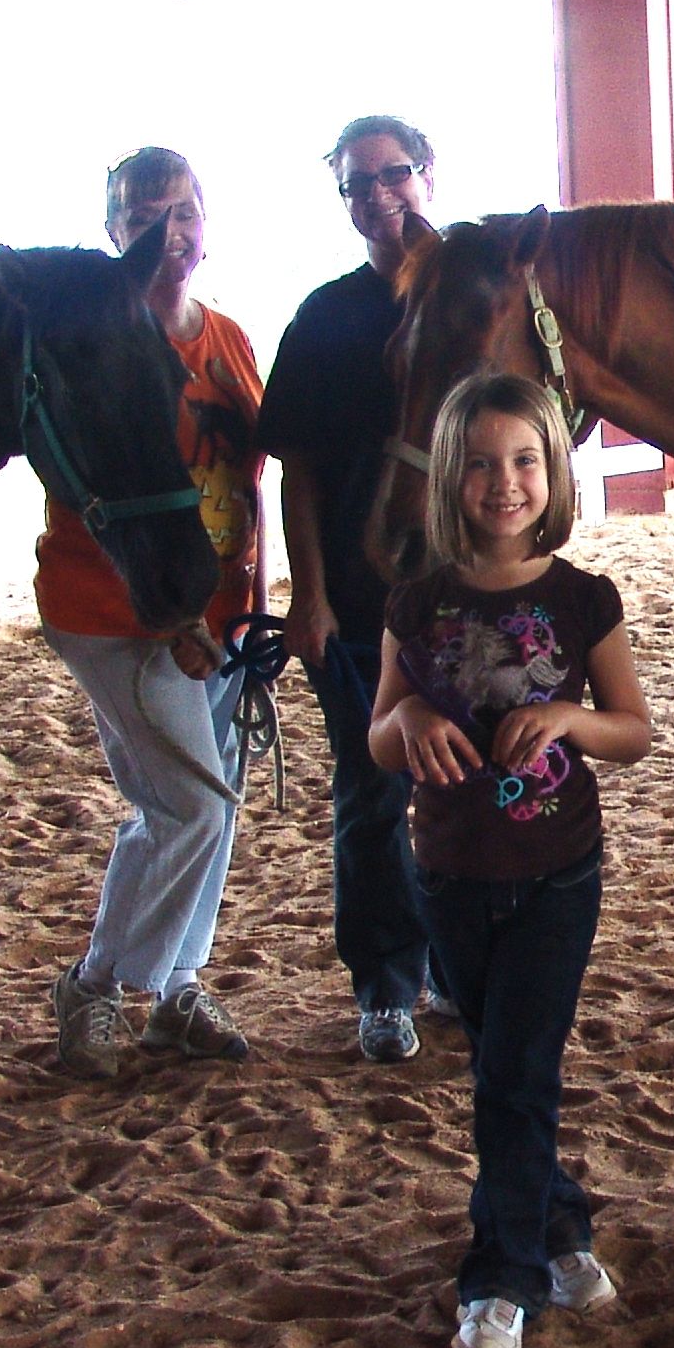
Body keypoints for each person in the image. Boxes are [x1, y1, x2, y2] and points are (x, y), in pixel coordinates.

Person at [372, 370, 655, 1348]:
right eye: (484, 464)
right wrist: (410, 717)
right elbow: (377, 736)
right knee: (504, 1065)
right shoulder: (417, 601)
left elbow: (635, 732)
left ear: (554, 472)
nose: (505, 483)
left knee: (516, 1071)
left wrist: (571, 718)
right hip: (449, 871)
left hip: (557, 872)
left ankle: (502, 1277)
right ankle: (561, 1220)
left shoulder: (583, 599)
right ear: (452, 475)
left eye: (526, 460)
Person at [41, 147, 269, 1081]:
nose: (167, 232)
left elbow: (250, 480)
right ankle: (95, 984)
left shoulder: (229, 339)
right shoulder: (98, 344)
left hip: (220, 614)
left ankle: (177, 986)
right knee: (195, 806)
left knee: (192, 807)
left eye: (182, 213)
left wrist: (255, 604)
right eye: (142, 217)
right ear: (113, 234)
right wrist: (179, 618)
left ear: (205, 226)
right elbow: (101, 497)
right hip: (123, 611)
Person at [259, 115, 441, 1064]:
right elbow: (299, 471)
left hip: (466, 599)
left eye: (392, 174)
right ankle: (386, 987)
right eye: (356, 185)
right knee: (372, 793)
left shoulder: (473, 296)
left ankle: (458, 969)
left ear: (427, 174)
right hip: (363, 601)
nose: (377, 196)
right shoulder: (324, 318)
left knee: (470, 790)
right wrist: (311, 598)